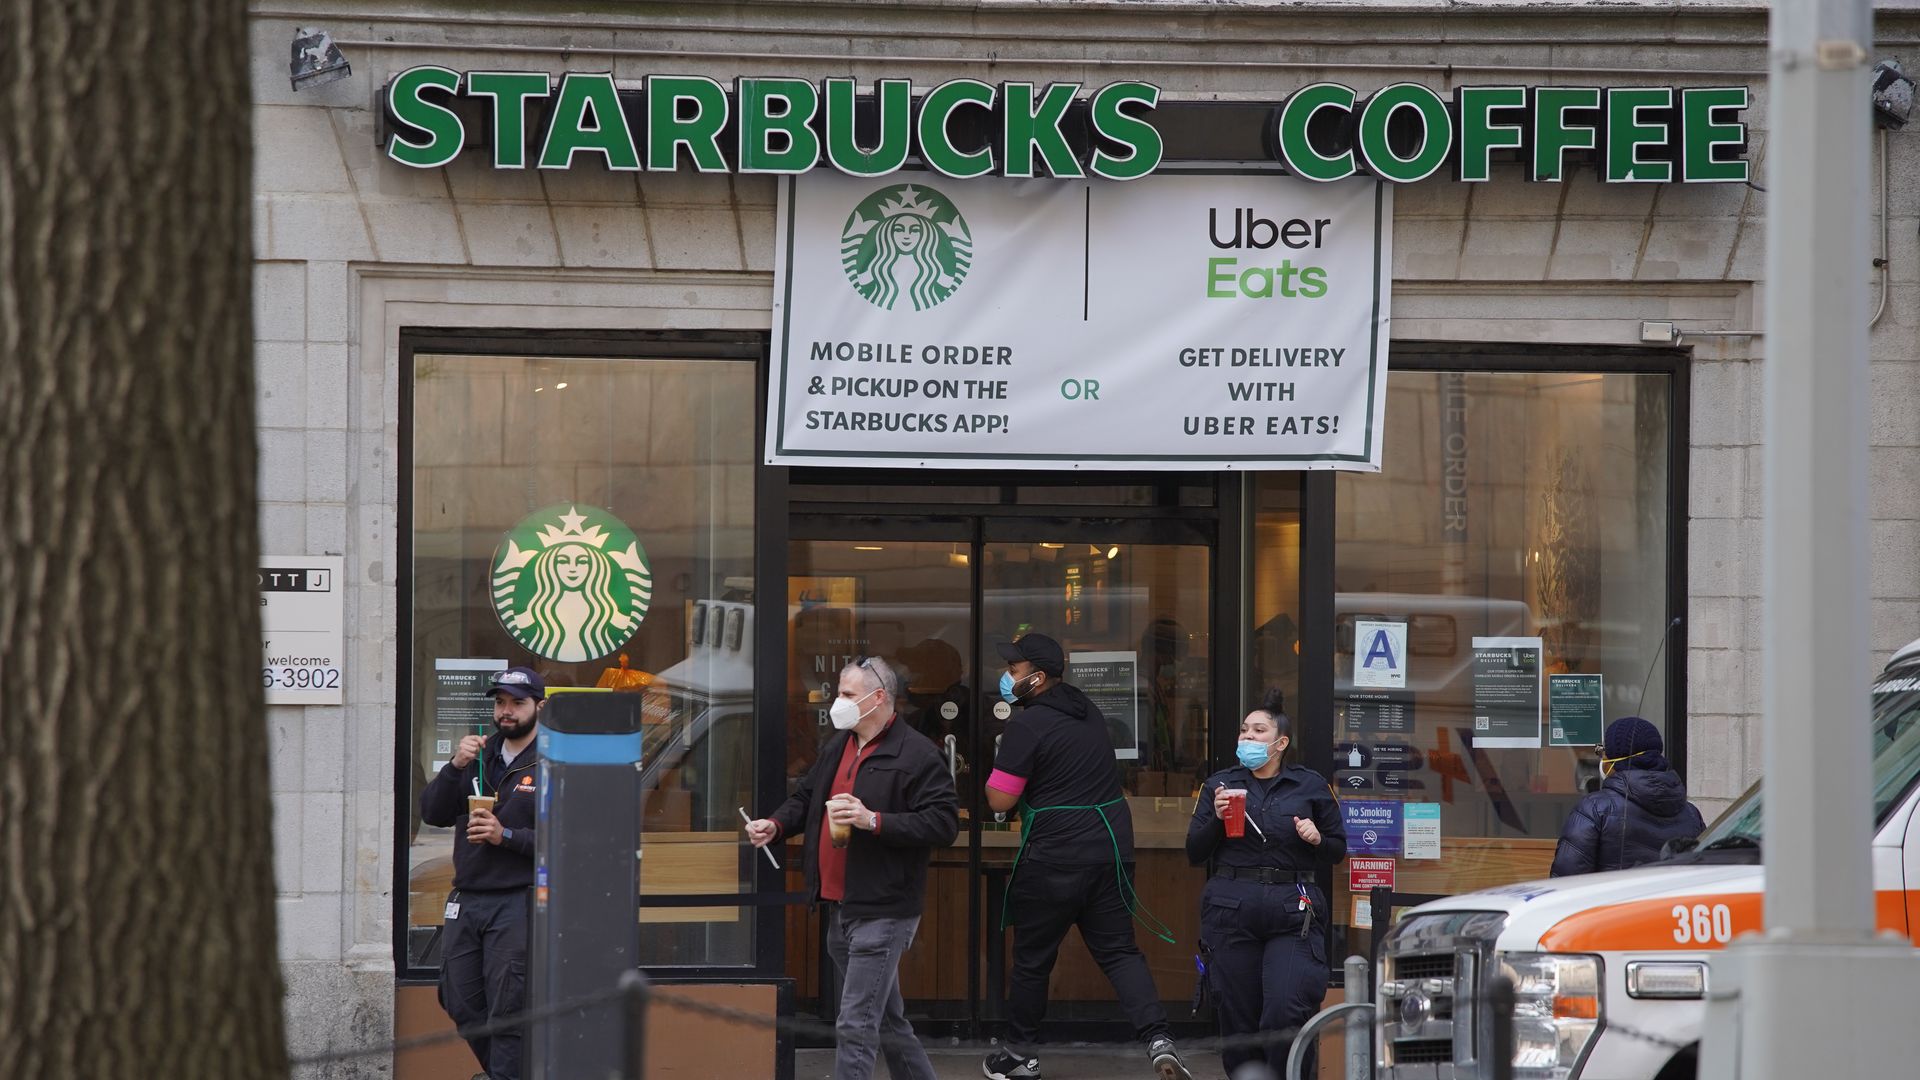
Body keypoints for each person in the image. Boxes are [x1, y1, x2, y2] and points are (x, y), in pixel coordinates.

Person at [983, 633, 1193, 1080]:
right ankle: (1158, 1039)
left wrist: (996, 771)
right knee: (1120, 951)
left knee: (1033, 959)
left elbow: (1000, 801)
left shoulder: (1026, 725)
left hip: (1054, 857)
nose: (1006, 677)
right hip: (1110, 853)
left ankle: (1020, 1056)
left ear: (1036, 678)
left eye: (1014, 670)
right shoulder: (1086, 709)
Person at [745, 656, 958, 1080]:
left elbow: (944, 823)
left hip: (884, 908)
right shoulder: (838, 746)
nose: (837, 702)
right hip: (840, 906)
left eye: (846, 694)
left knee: (855, 1023)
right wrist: (776, 824)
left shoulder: (918, 754)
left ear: (878, 698)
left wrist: (873, 820)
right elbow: (807, 797)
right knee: (887, 1019)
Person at [1186, 689, 1346, 1080]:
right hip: (1231, 907)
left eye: (1258, 731)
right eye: (1244, 731)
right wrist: (1217, 821)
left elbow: (1337, 850)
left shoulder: (1308, 785)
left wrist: (1316, 839)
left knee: (1285, 1008)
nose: (1248, 738)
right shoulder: (1219, 786)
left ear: (1280, 742)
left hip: (1293, 908)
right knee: (1237, 1015)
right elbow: (1194, 852)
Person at [419, 666, 545, 1080]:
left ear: (538, 707)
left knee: (508, 1008)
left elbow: (563, 840)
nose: (506, 711)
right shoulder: (479, 756)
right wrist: (455, 765)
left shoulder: (550, 762)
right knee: (460, 1000)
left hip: (516, 899)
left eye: (517, 703)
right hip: (467, 898)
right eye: (500, 702)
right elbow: (434, 813)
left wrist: (503, 835)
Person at [1551, 716, 1705, 876]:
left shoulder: (1594, 809)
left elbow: (1566, 879)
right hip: (1668, 901)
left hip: (1614, 901)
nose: (1602, 757)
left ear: (1617, 758)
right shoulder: (1692, 814)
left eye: (1603, 751)